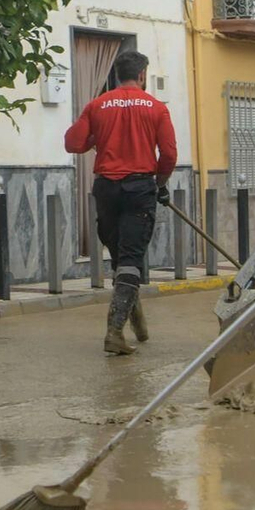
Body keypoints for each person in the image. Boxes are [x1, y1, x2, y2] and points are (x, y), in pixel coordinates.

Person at [64, 50, 177, 355]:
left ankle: (135, 319)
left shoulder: (97, 105)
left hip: (106, 190)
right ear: (142, 75)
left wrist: (96, 136)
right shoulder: (156, 108)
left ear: (116, 75)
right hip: (139, 188)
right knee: (130, 258)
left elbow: (73, 143)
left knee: (121, 255)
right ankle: (114, 332)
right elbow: (168, 154)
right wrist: (161, 184)